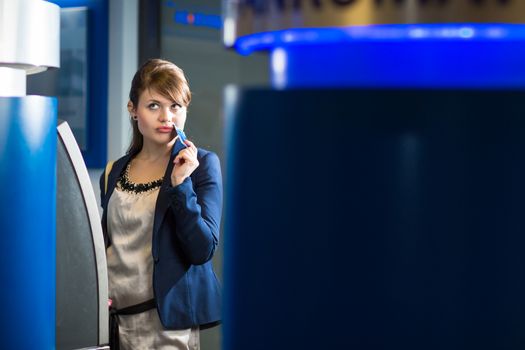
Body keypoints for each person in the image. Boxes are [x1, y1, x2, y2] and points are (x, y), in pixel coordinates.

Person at [99, 58, 223, 350]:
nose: (166, 117)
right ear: (133, 109)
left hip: (166, 326)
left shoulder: (203, 165)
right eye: (154, 106)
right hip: (112, 323)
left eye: (175, 106)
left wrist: (182, 185)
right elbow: (108, 245)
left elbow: (202, 249)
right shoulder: (113, 171)